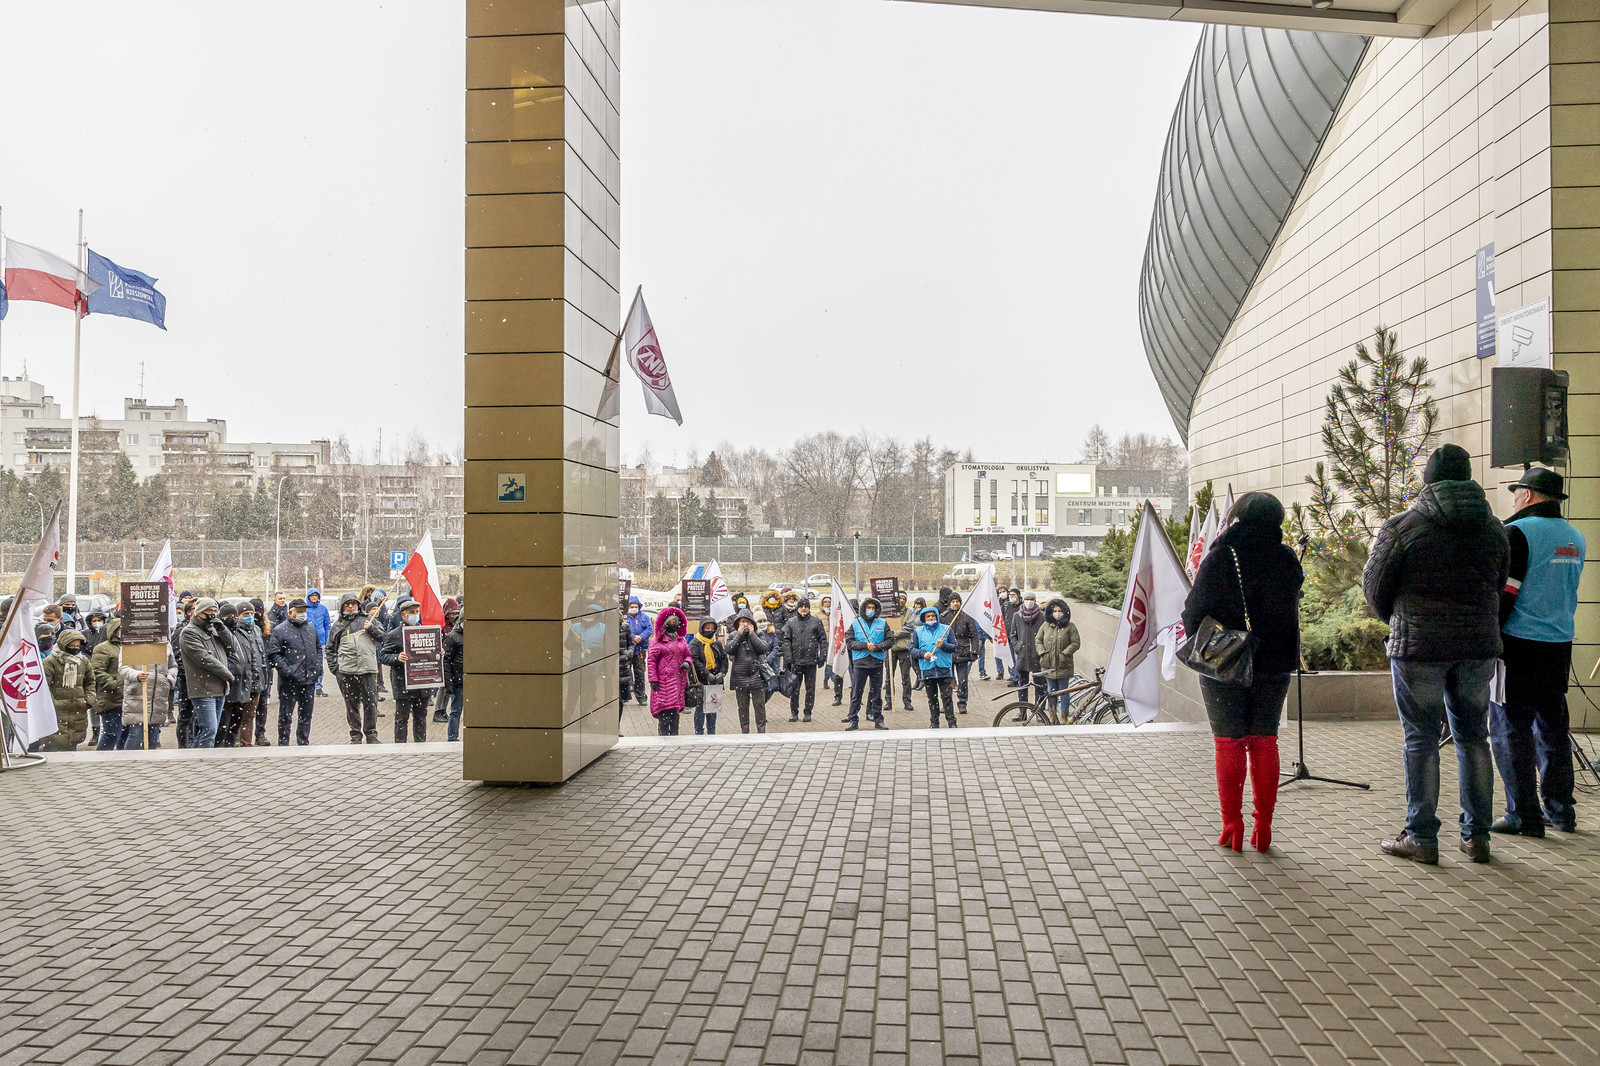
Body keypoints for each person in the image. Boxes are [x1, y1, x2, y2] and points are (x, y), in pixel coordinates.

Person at [1365, 444, 1509, 865]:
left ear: (1427, 480)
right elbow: (1499, 584)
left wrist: (1399, 618)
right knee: (1474, 737)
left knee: (1421, 739)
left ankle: (1422, 838)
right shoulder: (1494, 529)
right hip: (1476, 648)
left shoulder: (1403, 527)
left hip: (1419, 648)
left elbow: (1375, 587)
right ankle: (1477, 837)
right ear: (1468, 478)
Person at [1183, 492, 1303, 852]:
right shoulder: (1286, 558)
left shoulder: (1222, 555)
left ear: (1239, 517)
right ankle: (1263, 827)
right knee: (1264, 741)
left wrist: (1206, 642)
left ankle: (1231, 824)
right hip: (1275, 663)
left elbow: (1193, 611)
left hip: (1224, 662)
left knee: (1229, 742)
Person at [1491, 467, 1586, 836]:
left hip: (1518, 645)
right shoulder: (1575, 537)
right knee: (1553, 728)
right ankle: (1561, 811)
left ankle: (1524, 815)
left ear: (1528, 495)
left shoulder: (1517, 532)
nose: (1514, 499)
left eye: (1517, 493)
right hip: (1559, 645)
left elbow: (1507, 594)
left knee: (1510, 729)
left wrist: (1491, 638)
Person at [178, 599, 236, 749]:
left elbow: (233, 647)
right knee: (208, 729)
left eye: (214, 611)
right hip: (203, 687)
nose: (212, 615)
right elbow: (203, 658)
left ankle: (200, 755)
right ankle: (204, 757)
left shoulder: (214, 629)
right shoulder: (189, 632)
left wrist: (222, 629)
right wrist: (227, 674)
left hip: (220, 687)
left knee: (212, 730)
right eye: (209, 611)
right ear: (199, 612)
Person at [327, 593, 382, 743]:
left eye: (353, 603)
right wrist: (336, 670)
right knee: (351, 704)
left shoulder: (369, 620)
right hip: (347, 672)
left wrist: (372, 629)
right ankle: (355, 735)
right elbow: (330, 649)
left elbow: (384, 637)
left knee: (371, 703)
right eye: (347, 604)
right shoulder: (338, 625)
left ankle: (371, 734)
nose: (350, 607)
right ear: (342, 607)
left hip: (368, 670)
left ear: (358, 605)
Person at [267, 596, 322, 745]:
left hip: (309, 679)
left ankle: (303, 741)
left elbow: (318, 649)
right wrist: (288, 672)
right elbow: (274, 654)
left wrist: (317, 668)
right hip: (289, 682)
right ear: (291, 612)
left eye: (304, 611)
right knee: (285, 715)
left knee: (306, 715)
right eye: (299, 611)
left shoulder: (311, 629)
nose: (302, 614)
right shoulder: (280, 630)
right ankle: (283, 743)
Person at [380, 597, 431, 743]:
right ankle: (400, 746)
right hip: (403, 683)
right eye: (411, 612)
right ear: (403, 615)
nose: (415, 615)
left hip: (422, 683)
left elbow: (432, 652)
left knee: (421, 718)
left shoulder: (426, 632)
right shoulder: (394, 635)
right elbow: (383, 656)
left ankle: (420, 745)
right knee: (401, 718)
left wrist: (438, 654)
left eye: (416, 612)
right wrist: (396, 657)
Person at [39, 628, 92, 751]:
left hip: (78, 710)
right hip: (57, 712)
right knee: (55, 743)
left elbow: (90, 682)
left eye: (78, 646)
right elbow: (44, 687)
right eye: (72, 645)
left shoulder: (83, 661)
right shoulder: (50, 662)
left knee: (73, 742)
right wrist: (54, 704)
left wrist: (88, 700)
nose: (75, 648)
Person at [845, 596, 891, 730]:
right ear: (863, 609)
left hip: (877, 662)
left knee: (876, 693)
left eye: (873, 608)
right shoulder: (856, 623)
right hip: (860, 662)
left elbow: (889, 641)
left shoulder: (883, 623)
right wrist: (865, 645)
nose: (870, 610)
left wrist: (877, 647)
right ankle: (853, 719)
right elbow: (849, 642)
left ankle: (878, 719)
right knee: (856, 693)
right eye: (868, 607)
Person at [646, 607, 693, 736]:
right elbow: (651, 661)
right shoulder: (657, 641)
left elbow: (688, 655)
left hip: (678, 680)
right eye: (671, 622)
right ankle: (663, 736)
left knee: (675, 713)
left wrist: (687, 662)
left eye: (675, 622)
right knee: (664, 711)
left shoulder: (681, 639)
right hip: (663, 681)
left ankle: (674, 737)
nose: (673, 624)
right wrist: (653, 679)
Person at [1033, 599, 1082, 720]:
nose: (1057, 613)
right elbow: (1038, 640)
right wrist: (1042, 653)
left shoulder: (1070, 627)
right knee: (1051, 691)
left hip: (1063, 664)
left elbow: (1076, 642)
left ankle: (1063, 715)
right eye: (1055, 611)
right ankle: (1052, 715)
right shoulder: (1045, 625)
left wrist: (1065, 653)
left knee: (1064, 691)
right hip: (1048, 664)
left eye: (1060, 611)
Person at [118, 648, 176, 750]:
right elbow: (123, 667)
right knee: (136, 736)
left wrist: (169, 679)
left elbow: (173, 666)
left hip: (158, 697)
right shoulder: (130, 644)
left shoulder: (165, 644)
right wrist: (136, 675)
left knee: (152, 739)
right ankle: (129, 759)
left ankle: (149, 759)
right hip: (137, 696)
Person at [215, 602, 255, 747]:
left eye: (233, 616)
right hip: (226, 686)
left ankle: (230, 745)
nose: (231, 619)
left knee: (235, 723)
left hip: (242, 686)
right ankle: (220, 748)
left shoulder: (242, 633)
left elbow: (250, 657)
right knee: (222, 725)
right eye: (227, 616)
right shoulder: (217, 634)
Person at [911, 604, 958, 728]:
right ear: (924, 618)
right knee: (932, 698)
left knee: (947, 697)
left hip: (944, 669)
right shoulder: (918, 632)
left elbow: (954, 647)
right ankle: (934, 722)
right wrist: (923, 654)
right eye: (928, 616)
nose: (931, 618)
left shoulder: (946, 629)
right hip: (928, 669)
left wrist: (944, 645)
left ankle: (951, 722)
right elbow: (912, 649)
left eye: (933, 616)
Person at [725, 609, 771, 734]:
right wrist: (739, 635)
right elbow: (728, 649)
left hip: (757, 674)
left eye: (747, 621)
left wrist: (752, 634)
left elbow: (763, 648)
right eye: (742, 622)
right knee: (743, 707)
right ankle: (745, 732)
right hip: (740, 676)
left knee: (759, 706)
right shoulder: (733, 635)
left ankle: (761, 731)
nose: (745, 624)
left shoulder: (758, 634)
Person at [781, 597, 826, 723]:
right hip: (796, 662)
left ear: (809, 608)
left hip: (811, 661)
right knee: (794, 689)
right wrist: (788, 658)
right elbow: (786, 641)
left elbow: (823, 640)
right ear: (797, 608)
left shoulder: (816, 622)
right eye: (801, 606)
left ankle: (808, 712)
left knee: (810, 689)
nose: (803, 609)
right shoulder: (791, 622)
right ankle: (794, 712)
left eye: (806, 606)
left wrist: (822, 656)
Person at [232, 601, 268, 747]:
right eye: (245, 614)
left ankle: (246, 744)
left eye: (251, 614)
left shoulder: (257, 630)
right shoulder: (234, 631)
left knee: (250, 715)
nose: (249, 617)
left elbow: (261, 656)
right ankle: (234, 741)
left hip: (256, 680)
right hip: (241, 680)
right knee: (237, 715)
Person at [90, 617, 128, 750]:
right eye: (120, 629)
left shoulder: (130, 647)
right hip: (111, 698)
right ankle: (102, 758)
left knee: (125, 734)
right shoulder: (103, 648)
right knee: (111, 734)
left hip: (127, 698)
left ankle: (121, 759)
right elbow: (97, 671)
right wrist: (115, 684)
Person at [1009, 591, 1044, 715]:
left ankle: (1039, 712)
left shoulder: (1042, 616)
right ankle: (1022, 712)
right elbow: (1013, 635)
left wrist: (1041, 650)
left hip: (1037, 656)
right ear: (1023, 600)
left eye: (1031, 599)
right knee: (1022, 685)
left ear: (1035, 600)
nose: (1029, 602)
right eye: (1027, 599)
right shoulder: (1017, 616)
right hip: (1022, 656)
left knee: (1040, 685)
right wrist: (1018, 646)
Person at [945, 593, 981, 714]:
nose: (955, 603)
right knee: (947, 680)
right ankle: (947, 703)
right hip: (947, 652)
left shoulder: (967, 617)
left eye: (957, 601)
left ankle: (962, 702)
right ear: (950, 603)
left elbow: (974, 636)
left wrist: (974, 651)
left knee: (963, 680)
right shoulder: (944, 616)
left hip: (963, 652)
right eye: (953, 601)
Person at [689, 618, 726, 735]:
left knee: (713, 707)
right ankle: (699, 731)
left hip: (715, 681)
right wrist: (706, 674)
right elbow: (695, 661)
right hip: (701, 681)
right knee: (700, 708)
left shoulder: (717, 643)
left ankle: (712, 731)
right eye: (707, 628)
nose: (709, 630)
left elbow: (724, 659)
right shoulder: (695, 643)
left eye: (712, 628)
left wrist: (722, 672)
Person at [170, 599, 196, 748]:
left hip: (203, 681)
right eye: (194, 609)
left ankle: (194, 741)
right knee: (186, 714)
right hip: (187, 679)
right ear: (188, 612)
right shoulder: (181, 630)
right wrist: (187, 673)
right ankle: (184, 744)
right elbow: (176, 657)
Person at [432, 599, 462, 723]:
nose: (454, 616)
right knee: (443, 687)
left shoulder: (455, 626)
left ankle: (443, 710)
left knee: (448, 687)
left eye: (456, 613)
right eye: (452, 613)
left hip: (452, 660)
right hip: (443, 659)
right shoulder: (442, 626)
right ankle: (438, 710)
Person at [889, 596, 917, 710]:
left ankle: (907, 701)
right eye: (900, 598)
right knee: (889, 677)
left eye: (904, 599)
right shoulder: (888, 612)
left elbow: (909, 628)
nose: (902, 601)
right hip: (890, 648)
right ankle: (889, 700)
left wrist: (894, 633)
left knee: (905, 676)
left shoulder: (909, 612)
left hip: (904, 648)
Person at [624, 596, 652, 706]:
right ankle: (624, 696)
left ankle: (641, 696)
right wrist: (633, 637)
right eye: (632, 607)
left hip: (639, 650)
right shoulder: (624, 617)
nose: (634, 608)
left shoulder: (644, 617)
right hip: (626, 649)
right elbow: (622, 629)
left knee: (640, 674)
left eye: (636, 606)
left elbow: (649, 629)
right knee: (625, 673)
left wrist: (640, 637)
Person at [442, 608, 465, 742]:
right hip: (458, 681)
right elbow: (446, 662)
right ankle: (452, 737)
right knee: (456, 711)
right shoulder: (452, 637)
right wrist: (449, 683)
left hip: (466, 679)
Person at [304, 589, 331, 694]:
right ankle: (308, 684)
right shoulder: (305, 609)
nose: (314, 597)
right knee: (307, 663)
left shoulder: (323, 609)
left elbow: (327, 625)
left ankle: (318, 686)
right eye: (312, 595)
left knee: (319, 664)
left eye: (316, 595)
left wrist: (327, 638)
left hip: (321, 641)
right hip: (307, 641)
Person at [819, 595, 844, 706]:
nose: (827, 604)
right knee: (827, 661)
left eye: (829, 602)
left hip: (834, 641)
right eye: (825, 602)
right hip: (824, 641)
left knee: (831, 661)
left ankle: (828, 678)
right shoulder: (818, 615)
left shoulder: (834, 614)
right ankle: (830, 678)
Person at [1000, 586, 1023, 683]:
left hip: (1019, 636)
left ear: (1018, 596)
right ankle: (1013, 677)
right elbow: (1000, 619)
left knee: (1018, 657)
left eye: (1013, 595)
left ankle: (1019, 676)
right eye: (1010, 595)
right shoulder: (1005, 606)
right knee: (1010, 657)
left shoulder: (1022, 607)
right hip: (1007, 635)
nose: (1011, 597)